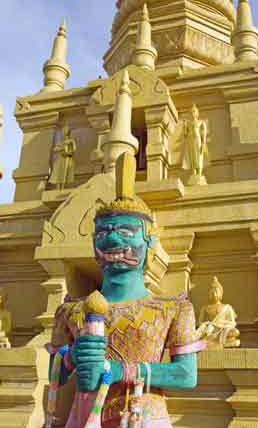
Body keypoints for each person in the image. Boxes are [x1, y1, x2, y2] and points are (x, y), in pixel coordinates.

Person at [47, 152, 205, 428]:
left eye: (126, 231)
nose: (112, 238)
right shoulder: (71, 310)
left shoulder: (173, 308)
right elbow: (54, 376)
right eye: (103, 231)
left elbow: (186, 374)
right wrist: (73, 357)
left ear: (150, 244)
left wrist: (121, 370)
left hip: (142, 417)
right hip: (85, 417)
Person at [196, 277, 240, 348]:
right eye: (212, 292)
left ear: (221, 293)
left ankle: (218, 342)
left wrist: (220, 324)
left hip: (223, 329)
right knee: (200, 334)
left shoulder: (227, 307)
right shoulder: (205, 308)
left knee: (236, 332)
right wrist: (208, 324)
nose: (214, 294)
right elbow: (200, 322)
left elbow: (232, 323)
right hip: (210, 331)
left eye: (216, 291)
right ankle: (217, 343)